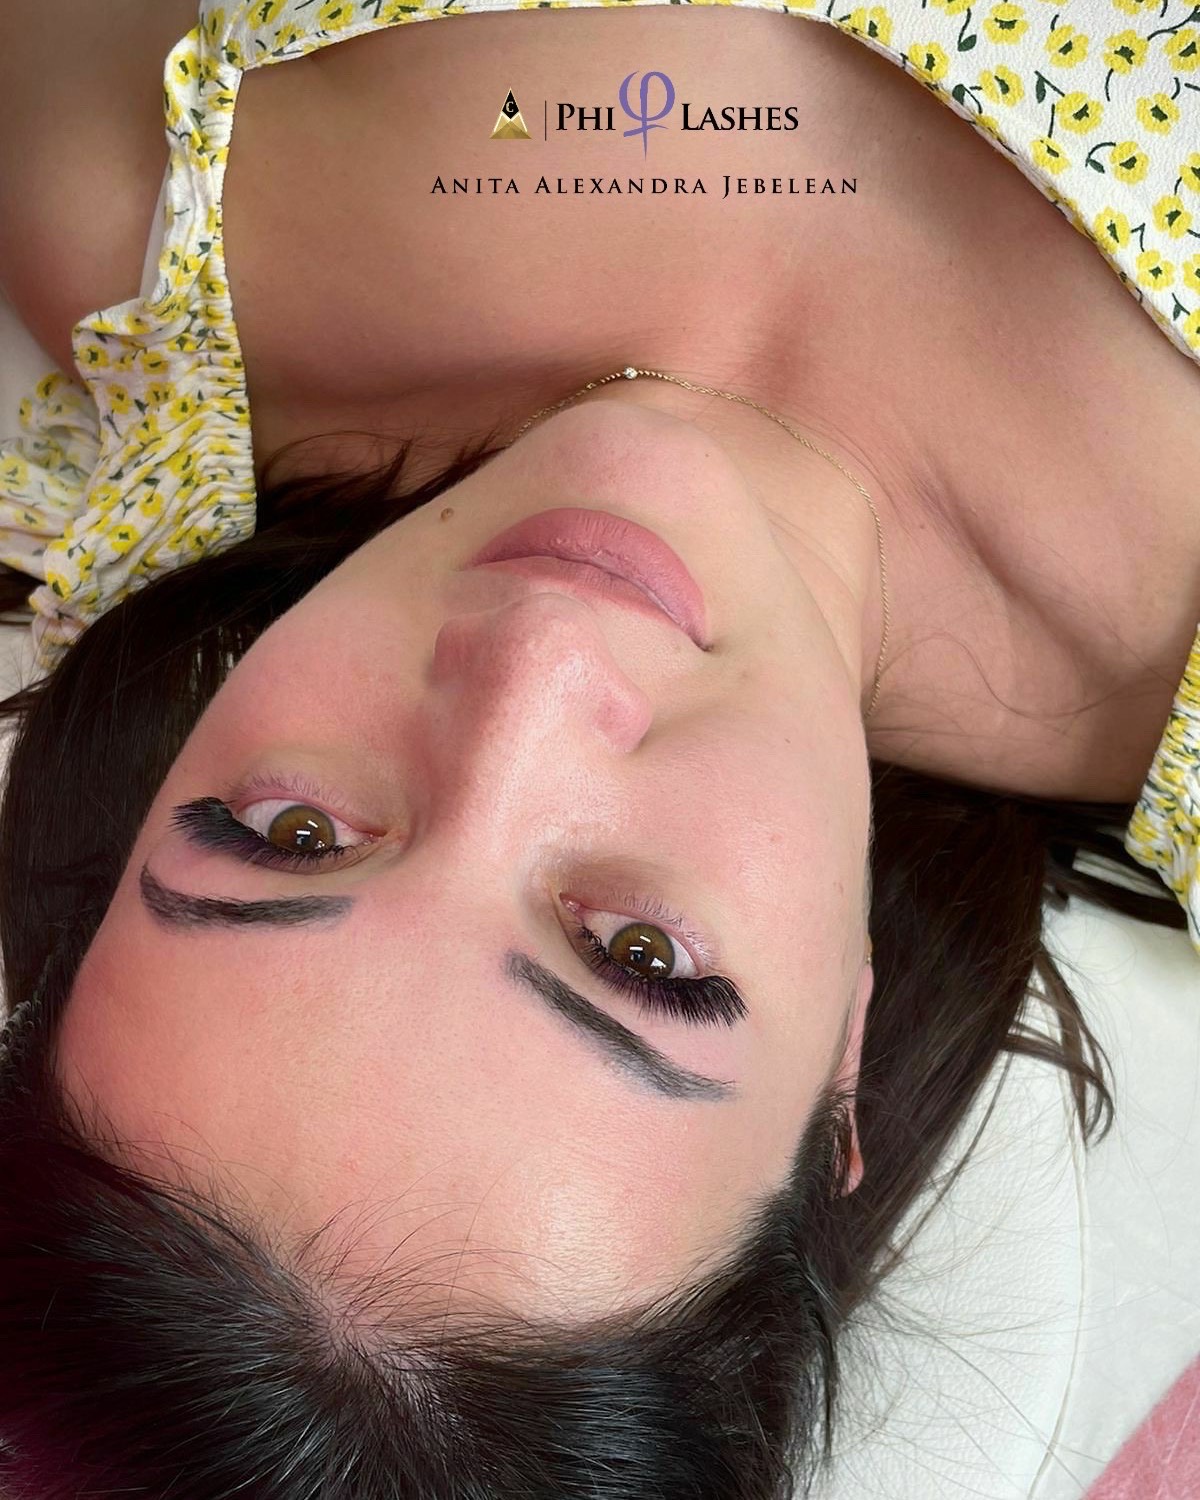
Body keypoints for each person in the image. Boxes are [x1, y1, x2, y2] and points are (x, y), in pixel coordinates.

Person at [0, 0, 1196, 1495]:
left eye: (294, 834)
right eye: (639, 955)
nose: (539, 662)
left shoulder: (146, 212)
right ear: (843, 1062)